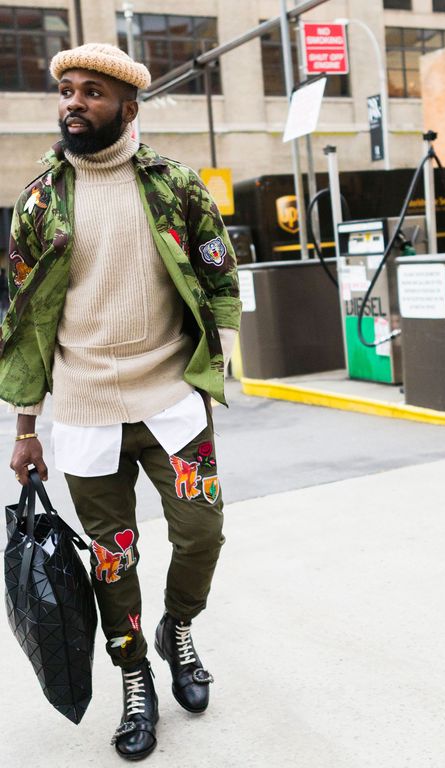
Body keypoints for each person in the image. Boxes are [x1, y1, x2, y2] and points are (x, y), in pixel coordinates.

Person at [1, 43, 241, 761]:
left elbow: (219, 271)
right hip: (83, 412)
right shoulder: (41, 201)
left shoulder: (173, 184)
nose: (74, 102)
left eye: (92, 93)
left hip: (172, 399)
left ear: (128, 108)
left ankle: (179, 628)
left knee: (202, 533)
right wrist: (25, 429)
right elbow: (21, 320)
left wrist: (222, 361)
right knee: (114, 559)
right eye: (67, 90)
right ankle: (137, 677)